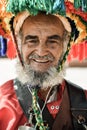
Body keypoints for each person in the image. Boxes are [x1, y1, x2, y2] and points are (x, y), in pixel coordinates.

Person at [0, 0, 87, 130]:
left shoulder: (84, 100)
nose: (41, 52)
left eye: (52, 41)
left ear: (66, 44)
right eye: (32, 41)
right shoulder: (3, 102)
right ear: (19, 44)